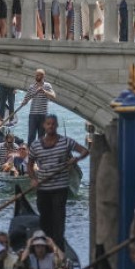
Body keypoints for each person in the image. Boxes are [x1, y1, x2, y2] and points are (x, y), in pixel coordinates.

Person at [28, 114, 89, 247]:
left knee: (58, 222)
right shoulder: (36, 145)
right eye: (48, 124)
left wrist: (76, 159)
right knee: (44, 221)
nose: (50, 126)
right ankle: (47, 248)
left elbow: (84, 151)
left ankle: (58, 250)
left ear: (56, 126)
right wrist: (33, 179)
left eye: (53, 124)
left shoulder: (66, 142)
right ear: (44, 126)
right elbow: (29, 164)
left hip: (59, 189)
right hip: (43, 189)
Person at [24, 69, 56, 144]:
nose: (37, 76)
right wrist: (24, 102)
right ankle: (30, 151)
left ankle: (40, 151)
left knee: (41, 135)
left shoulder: (47, 86)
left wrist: (44, 91)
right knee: (31, 135)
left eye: (38, 75)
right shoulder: (32, 87)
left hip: (43, 115)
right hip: (33, 114)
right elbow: (26, 98)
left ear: (43, 76)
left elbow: (53, 96)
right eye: (36, 75)